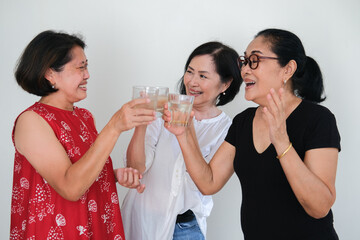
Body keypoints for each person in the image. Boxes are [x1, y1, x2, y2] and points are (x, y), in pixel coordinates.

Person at [164, 28, 341, 240]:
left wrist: (282, 141)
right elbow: (209, 182)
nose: (245, 70)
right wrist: (183, 135)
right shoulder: (243, 122)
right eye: (244, 61)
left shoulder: (318, 119)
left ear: (287, 69)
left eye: (254, 60)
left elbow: (319, 207)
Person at [10, 30, 154, 239]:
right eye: (80, 68)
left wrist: (111, 176)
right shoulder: (32, 121)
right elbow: (70, 187)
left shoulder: (85, 117)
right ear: (50, 74)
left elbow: (81, 170)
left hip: (95, 227)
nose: (87, 75)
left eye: (87, 67)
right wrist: (114, 127)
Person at [121, 41, 242, 239]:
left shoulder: (227, 130)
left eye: (203, 76)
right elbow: (137, 168)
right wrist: (141, 124)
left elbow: (207, 182)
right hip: (141, 219)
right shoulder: (164, 109)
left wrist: (186, 132)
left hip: (184, 229)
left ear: (225, 84)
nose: (192, 82)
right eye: (190, 71)